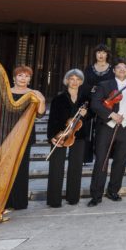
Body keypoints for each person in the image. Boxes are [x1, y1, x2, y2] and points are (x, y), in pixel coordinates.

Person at [0, 65, 46, 211]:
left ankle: (19, 202)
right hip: (4, 133)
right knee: (3, 168)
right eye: (20, 75)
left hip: (25, 134)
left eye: (27, 76)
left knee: (21, 168)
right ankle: (4, 201)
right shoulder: (5, 92)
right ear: (14, 78)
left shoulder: (33, 94)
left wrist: (42, 100)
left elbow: (40, 115)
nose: (23, 78)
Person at [88, 59, 126, 207]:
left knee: (120, 161)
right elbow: (95, 104)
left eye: (125, 68)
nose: (122, 70)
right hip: (107, 127)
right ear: (114, 70)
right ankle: (96, 194)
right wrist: (111, 115)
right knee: (101, 161)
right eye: (118, 68)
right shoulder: (104, 85)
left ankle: (113, 191)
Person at [46, 69, 89, 207]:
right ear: (67, 81)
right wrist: (52, 137)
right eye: (72, 79)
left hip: (79, 135)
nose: (75, 81)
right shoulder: (58, 98)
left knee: (76, 167)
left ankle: (73, 198)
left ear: (81, 82)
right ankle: (54, 200)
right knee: (56, 167)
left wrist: (86, 114)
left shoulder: (85, 99)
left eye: (78, 79)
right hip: (61, 134)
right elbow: (52, 119)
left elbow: (92, 116)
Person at [83, 43, 115, 164]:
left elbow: (113, 86)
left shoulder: (112, 69)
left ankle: (105, 156)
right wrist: (93, 90)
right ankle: (87, 157)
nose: (101, 55)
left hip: (107, 104)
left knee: (105, 130)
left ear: (107, 54)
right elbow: (85, 85)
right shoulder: (89, 68)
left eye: (103, 52)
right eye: (98, 52)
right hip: (91, 102)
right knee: (89, 129)